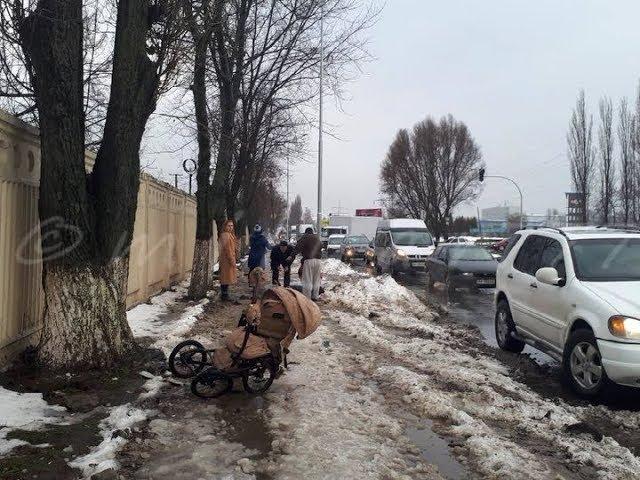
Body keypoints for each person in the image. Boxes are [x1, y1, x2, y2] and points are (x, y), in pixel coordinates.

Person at [294, 227, 322, 300]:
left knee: (307, 279)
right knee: (316, 279)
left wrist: (292, 255)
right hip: (318, 261)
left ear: (306, 232)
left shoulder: (305, 237)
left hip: (309, 260)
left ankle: (307, 298)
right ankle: (315, 296)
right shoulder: (317, 238)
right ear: (312, 232)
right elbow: (321, 246)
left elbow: (298, 247)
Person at [218, 219, 238, 301]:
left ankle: (225, 294)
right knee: (225, 278)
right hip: (227, 260)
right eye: (229, 226)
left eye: (232, 226)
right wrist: (232, 260)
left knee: (226, 278)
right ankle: (224, 295)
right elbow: (228, 249)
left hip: (226, 259)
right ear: (225, 226)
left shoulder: (229, 235)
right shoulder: (226, 235)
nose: (230, 227)